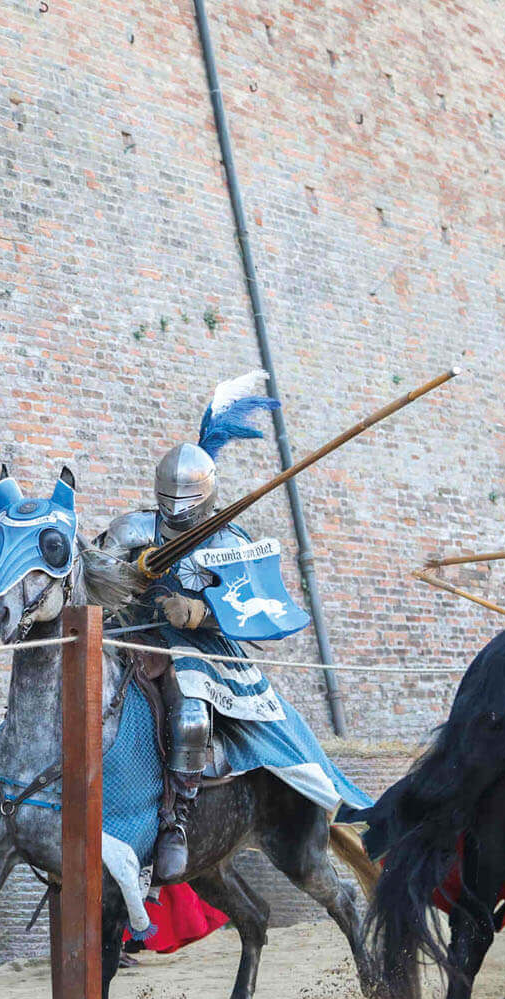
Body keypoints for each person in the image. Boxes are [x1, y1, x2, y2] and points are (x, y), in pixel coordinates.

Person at [98, 371, 349, 883]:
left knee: (190, 709)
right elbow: (94, 577)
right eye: (169, 500)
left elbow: (256, 610)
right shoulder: (132, 527)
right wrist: (124, 577)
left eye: (186, 502)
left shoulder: (229, 540)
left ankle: (177, 820)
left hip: (199, 646)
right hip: (129, 634)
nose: (176, 512)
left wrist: (199, 612)